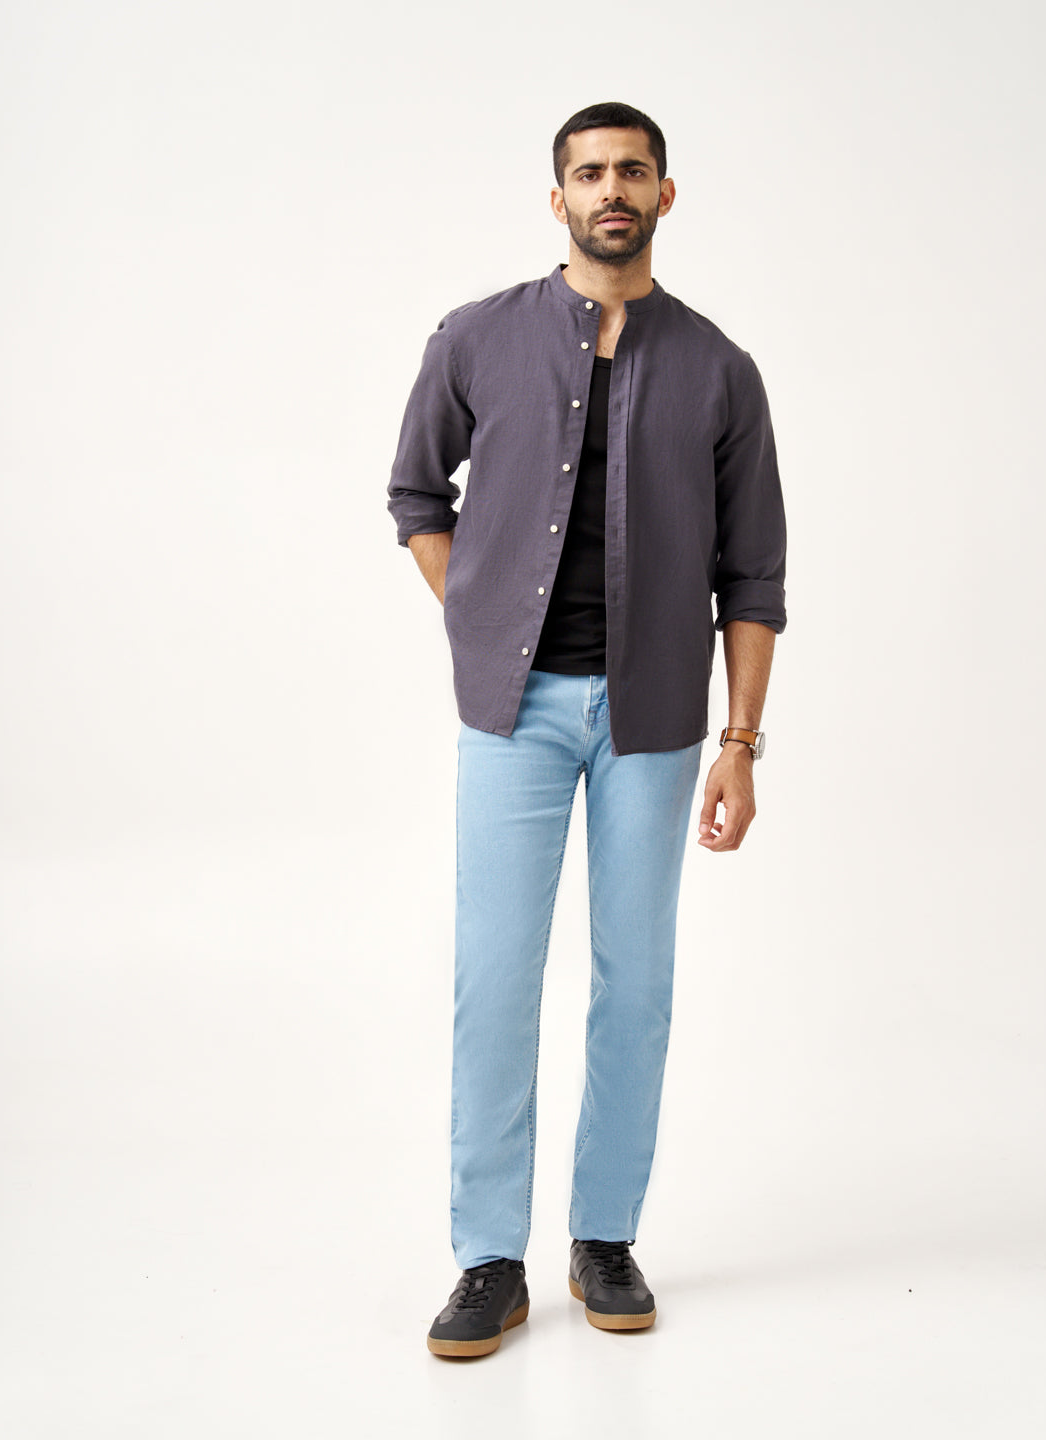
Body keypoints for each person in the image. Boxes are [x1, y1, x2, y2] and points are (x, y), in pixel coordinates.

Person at [386, 101, 788, 1358]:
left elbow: (754, 575)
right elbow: (415, 494)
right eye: (590, 172)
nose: (612, 188)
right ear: (556, 197)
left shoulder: (720, 369)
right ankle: (489, 1260)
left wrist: (740, 744)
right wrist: (482, 617)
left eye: (633, 171)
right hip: (513, 716)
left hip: (656, 723)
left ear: (666, 194)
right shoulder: (475, 338)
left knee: (638, 984)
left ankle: (604, 1236)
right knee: (495, 982)